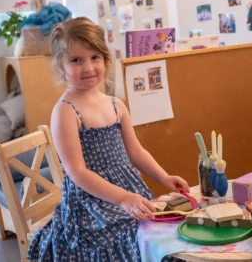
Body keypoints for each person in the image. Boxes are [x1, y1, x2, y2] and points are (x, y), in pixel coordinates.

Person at [26, 17, 190, 262]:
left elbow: (136, 152)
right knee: (131, 233)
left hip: (129, 192)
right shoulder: (65, 111)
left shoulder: (116, 104)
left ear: (105, 59)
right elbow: (78, 173)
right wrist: (123, 198)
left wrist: (164, 177)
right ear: (61, 66)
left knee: (162, 228)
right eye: (76, 60)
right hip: (90, 203)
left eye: (95, 57)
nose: (88, 67)